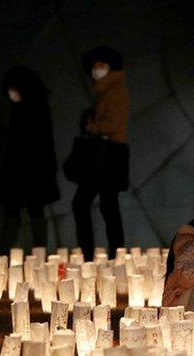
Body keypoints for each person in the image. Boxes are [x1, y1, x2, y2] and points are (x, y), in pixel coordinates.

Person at [0, 65, 59, 251]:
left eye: (13, 88)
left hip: (25, 170)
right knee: (31, 210)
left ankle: (6, 255)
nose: (10, 93)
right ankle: (36, 255)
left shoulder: (27, 111)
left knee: (18, 210)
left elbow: (27, 142)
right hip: (31, 171)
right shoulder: (34, 109)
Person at [73, 45, 129, 260]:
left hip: (109, 155)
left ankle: (104, 254)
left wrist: (91, 126)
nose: (97, 70)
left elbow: (114, 124)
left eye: (101, 66)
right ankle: (113, 254)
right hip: (106, 155)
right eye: (95, 66)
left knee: (98, 204)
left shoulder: (115, 90)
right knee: (106, 205)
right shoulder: (105, 90)